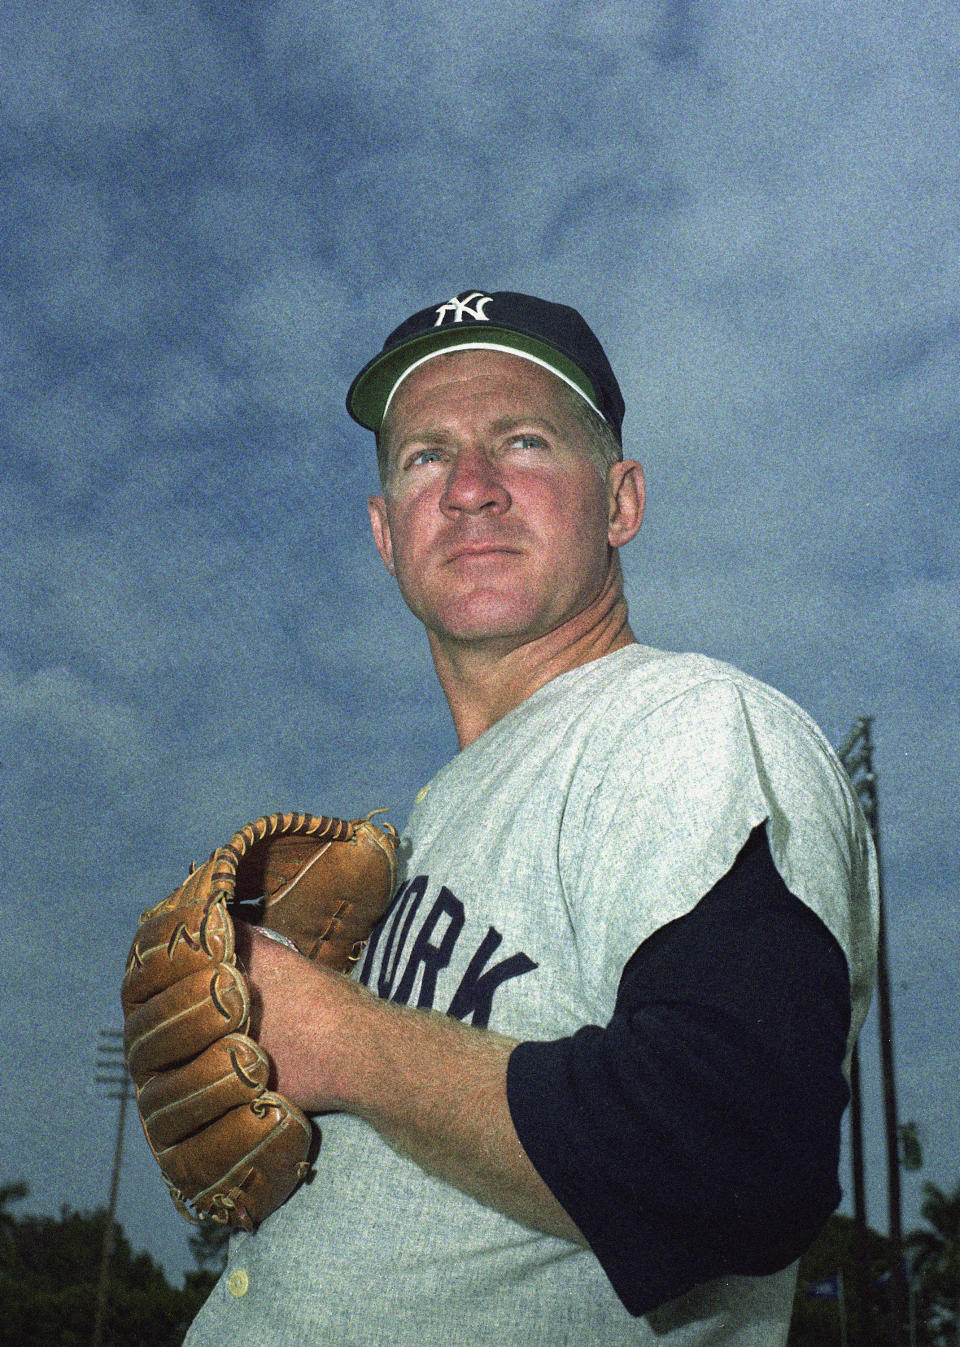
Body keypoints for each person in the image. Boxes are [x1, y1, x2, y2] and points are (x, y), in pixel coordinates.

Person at [184, 290, 878, 1345]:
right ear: (384, 532)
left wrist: (338, 1038)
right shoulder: (431, 824)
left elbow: (741, 1159)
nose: (470, 489)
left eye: (522, 441)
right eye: (425, 456)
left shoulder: (689, 725)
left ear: (621, 502)